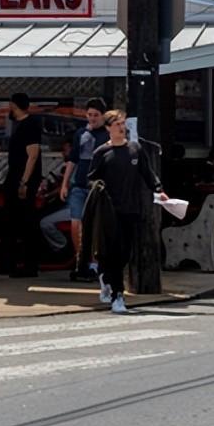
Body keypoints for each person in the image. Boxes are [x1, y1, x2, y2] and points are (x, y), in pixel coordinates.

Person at [85, 109, 169, 314]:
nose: (121, 128)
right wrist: (98, 188)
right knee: (114, 250)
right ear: (108, 129)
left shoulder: (135, 149)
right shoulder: (101, 153)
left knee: (125, 253)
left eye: (123, 124)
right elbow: (91, 178)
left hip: (131, 208)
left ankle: (104, 274)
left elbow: (147, 173)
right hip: (110, 210)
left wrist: (159, 190)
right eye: (116, 125)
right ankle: (117, 295)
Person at [58, 99, 109, 280]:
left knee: (95, 227)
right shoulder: (80, 133)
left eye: (96, 115)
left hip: (97, 186)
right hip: (79, 184)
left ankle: (94, 263)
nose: (93, 118)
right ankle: (81, 260)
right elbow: (73, 159)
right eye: (90, 115)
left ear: (103, 116)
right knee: (76, 223)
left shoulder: (107, 134)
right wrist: (65, 184)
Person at [3, 92, 42, 277]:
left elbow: (32, 155)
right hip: (15, 177)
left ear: (14, 105)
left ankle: (29, 264)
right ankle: (11, 262)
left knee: (26, 222)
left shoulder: (30, 125)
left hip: (23, 180)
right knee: (13, 221)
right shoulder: (19, 126)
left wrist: (24, 182)